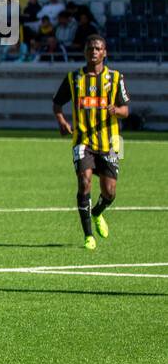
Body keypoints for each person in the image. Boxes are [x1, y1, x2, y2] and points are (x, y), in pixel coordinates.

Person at [52, 35, 129, 250]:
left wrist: (116, 110)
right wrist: (61, 121)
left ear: (105, 52)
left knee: (110, 191)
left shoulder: (115, 78)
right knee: (84, 182)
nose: (93, 52)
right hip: (82, 141)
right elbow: (57, 103)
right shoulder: (74, 78)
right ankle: (88, 235)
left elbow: (126, 110)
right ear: (85, 52)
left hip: (112, 142)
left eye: (98, 48)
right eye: (90, 48)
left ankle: (97, 213)